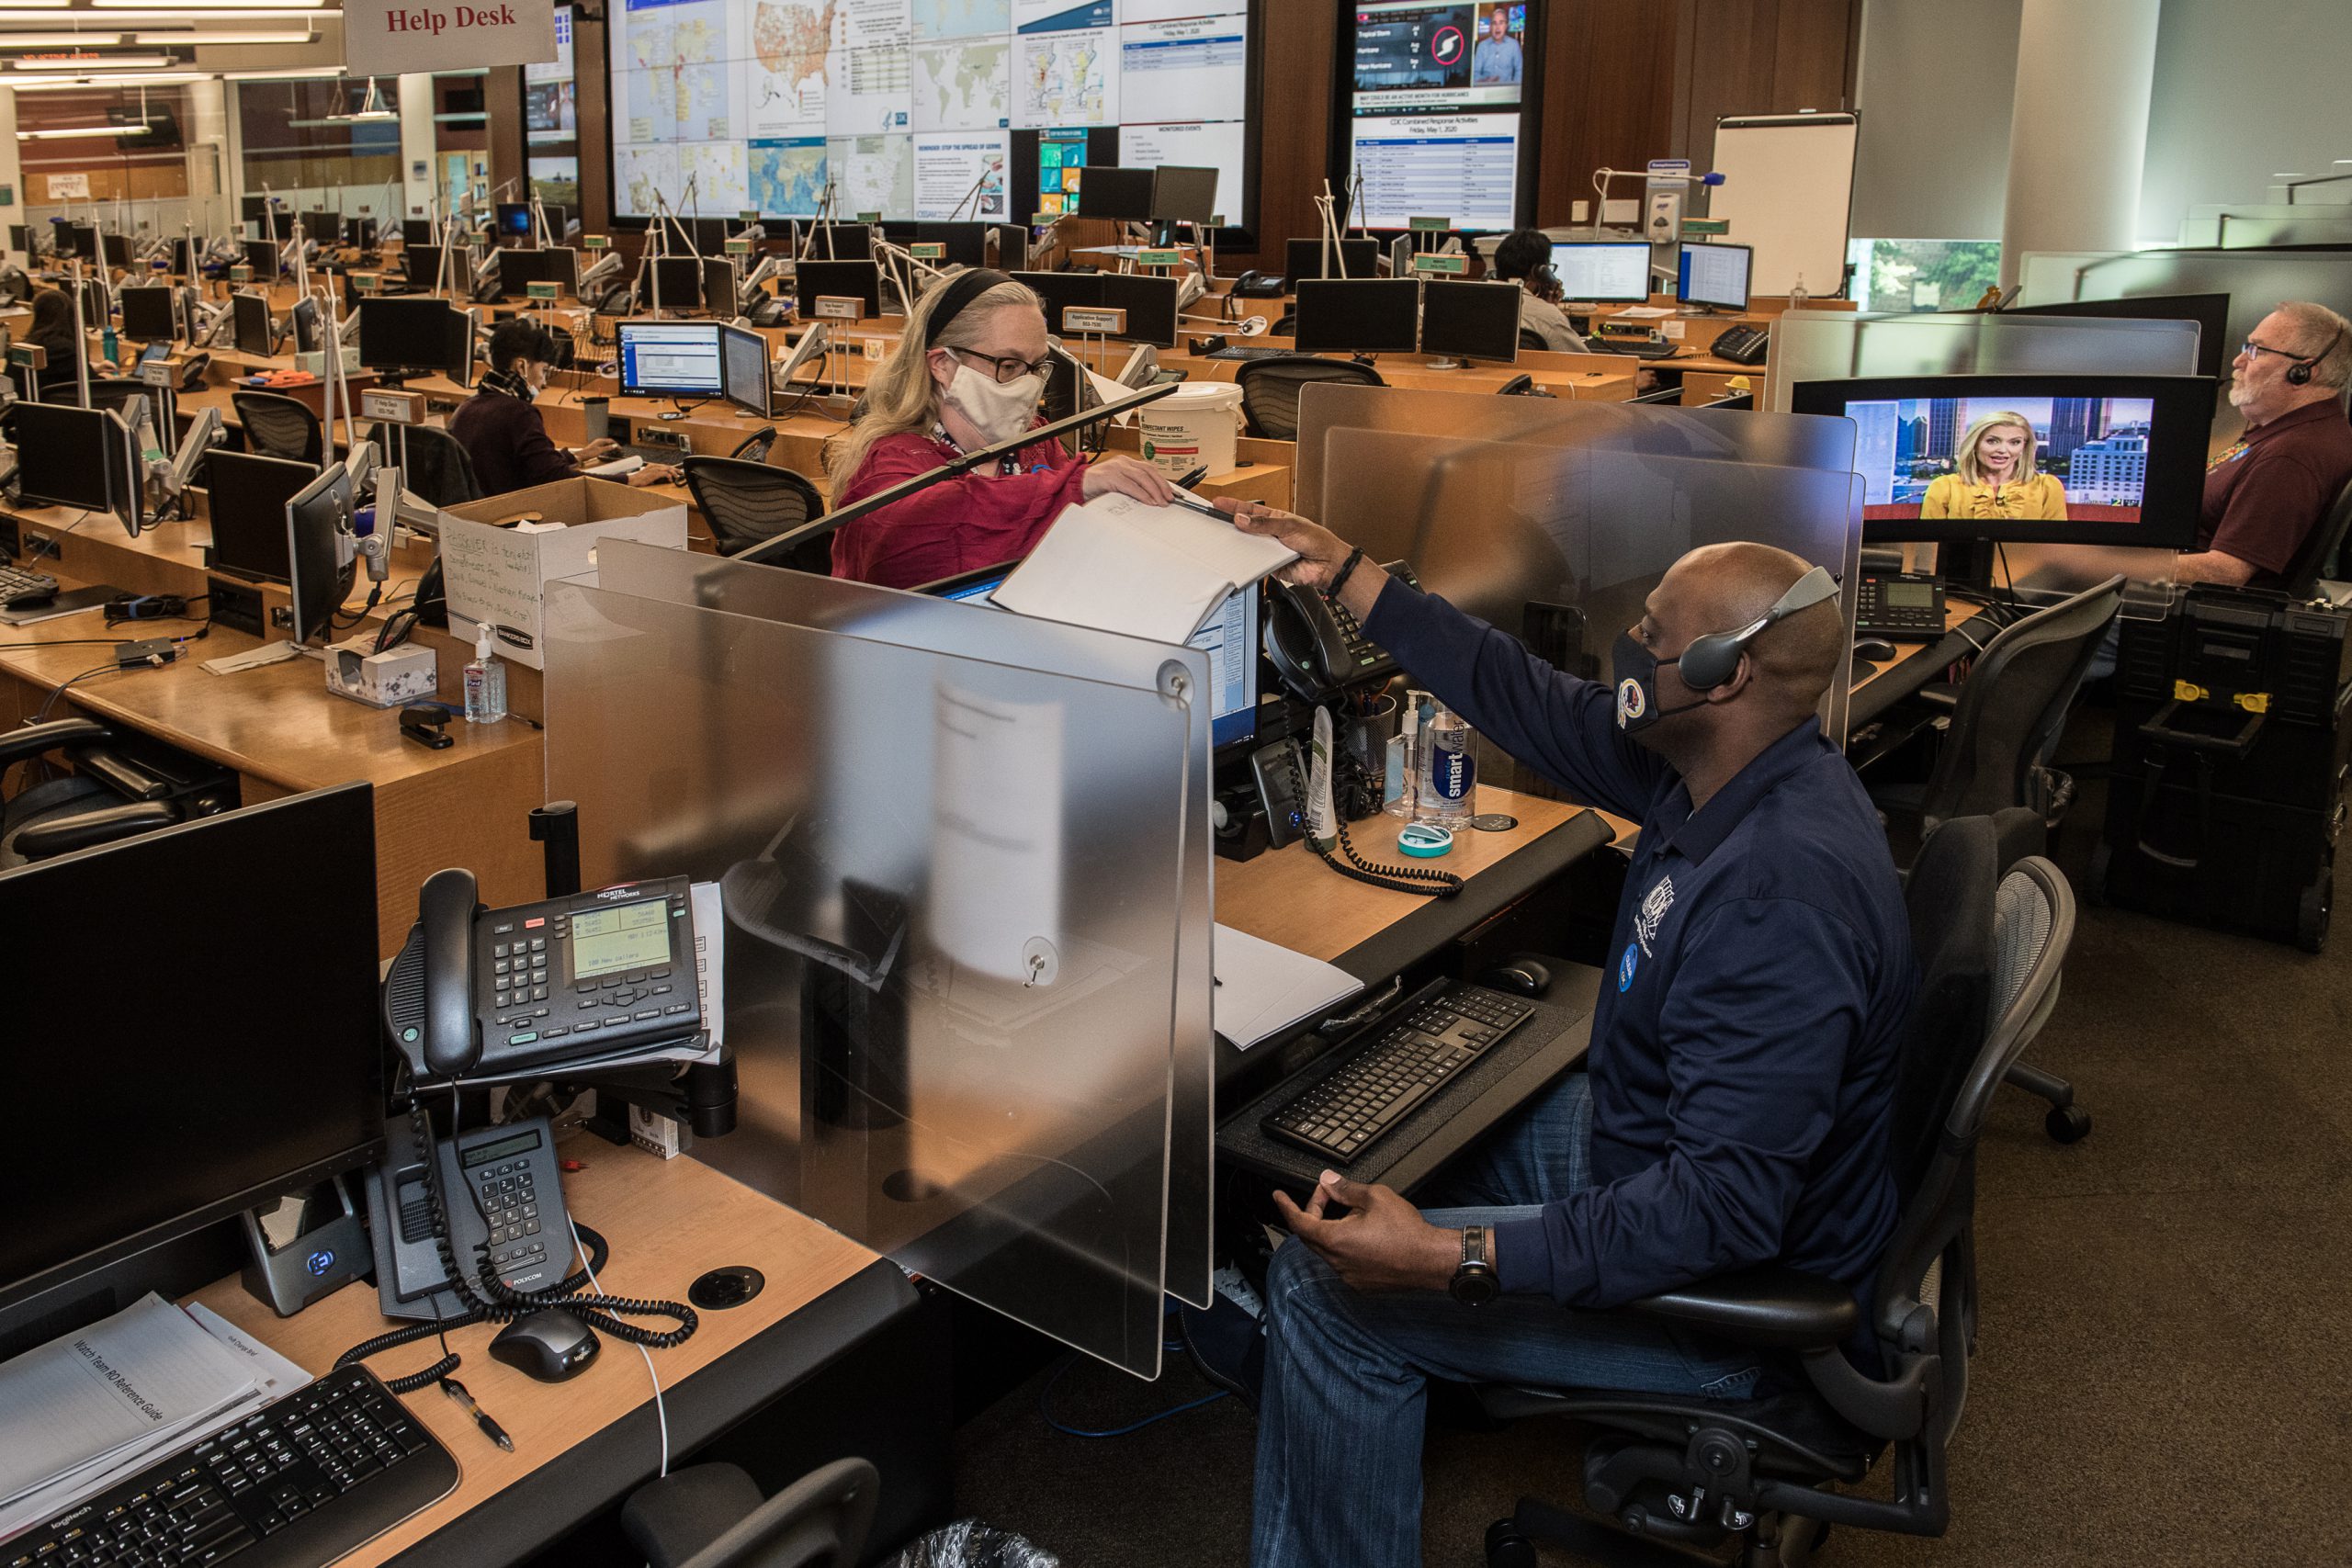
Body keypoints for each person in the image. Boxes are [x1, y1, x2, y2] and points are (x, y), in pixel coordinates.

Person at [1192, 506, 1917, 1568]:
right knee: (1426, 1122)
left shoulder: (1776, 899)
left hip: (1734, 1313)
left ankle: (1347, 1381)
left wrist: (1450, 1256)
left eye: (1652, 640)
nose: (1626, 657)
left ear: (1721, 675)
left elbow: (1721, 1212)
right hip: (1653, 1140)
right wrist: (1349, 574)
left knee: (1327, 1291)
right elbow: (1527, 700)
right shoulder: (1728, 770)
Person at [826, 267, 1174, 589]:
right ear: (944, 365)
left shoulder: (1036, 441)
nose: (1027, 386)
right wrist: (1076, 485)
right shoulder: (892, 459)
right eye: (1008, 365)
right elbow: (924, 522)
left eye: (1036, 367)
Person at [2174, 300, 2352, 588]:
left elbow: (2225, 572)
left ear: (2303, 372)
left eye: (2255, 350)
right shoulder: (2286, 432)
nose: (2238, 361)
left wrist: (2108, 567)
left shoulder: (2291, 457)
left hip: (2182, 608)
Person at [450, 318, 679, 495]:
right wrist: (632, 479)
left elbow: (528, 464)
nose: (544, 382)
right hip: (518, 522)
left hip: (483, 521)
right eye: (543, 371)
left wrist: (577, 455)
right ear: (521, 366)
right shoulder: (518, 413)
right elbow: (556, 479)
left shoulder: (467, 407)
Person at [1919, 410, 2067, 521]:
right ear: (1975, 444)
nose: (2003, 450)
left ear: (2024, 447)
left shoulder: (2047, 486)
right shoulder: (1944, 487)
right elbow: (1929, 544)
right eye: (1992, 441)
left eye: (2014, 442)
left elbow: (2056, 545)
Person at [1489, 229, 1587, 353]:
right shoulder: (1548, 316)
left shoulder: (1469, 302)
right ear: (1540, 271)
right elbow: (1584, 363)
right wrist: (1549, 310)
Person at [23, 288, 84, 399]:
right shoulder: (64, 349)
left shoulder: (27, 344)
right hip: (55, 412)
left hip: (24, 410)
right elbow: (90, 385)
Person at [1472, 6, 1521, 85]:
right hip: (1485, 90)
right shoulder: (1482, 46)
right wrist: (1485, 80)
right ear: (1490, 27)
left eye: (1501, 23)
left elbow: (1520, 70)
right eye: (1494, 23)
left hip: (1507, 91)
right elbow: (1475, 72)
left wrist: (1514, 87)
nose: (1497, 27)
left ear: (1506, 26)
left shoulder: (1514, 45)